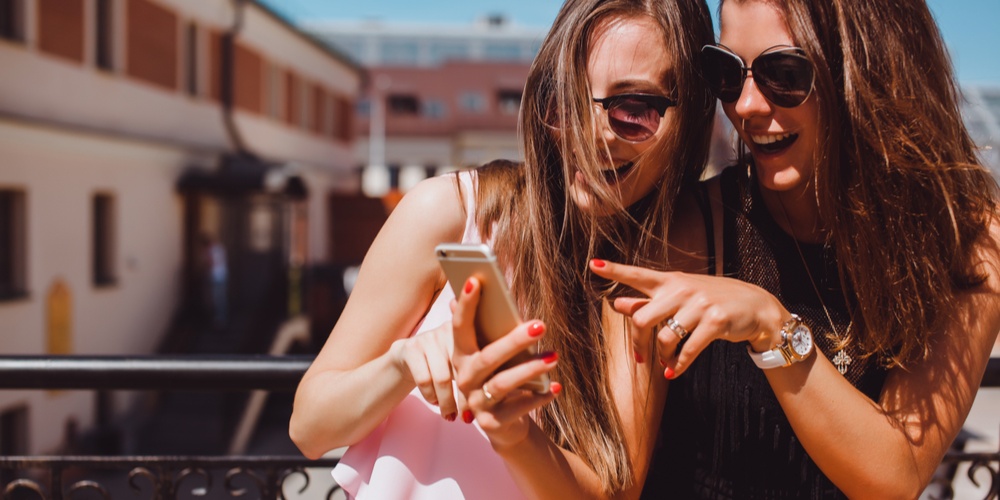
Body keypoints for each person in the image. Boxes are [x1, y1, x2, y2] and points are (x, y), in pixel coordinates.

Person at [288, 0, 715, 498]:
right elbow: (310, 428)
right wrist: (403, 364)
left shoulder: (659, 264)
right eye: (566, 97)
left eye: (633, 109)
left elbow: (613, 491)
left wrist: (515, 433)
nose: (589, 131)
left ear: (690, 118)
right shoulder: (449, 213)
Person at [591, 0, 1000, 497]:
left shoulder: (968, 241)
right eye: (726, 73)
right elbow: (613, 481)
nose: (745, 105)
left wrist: (773, 327)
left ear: (871, 71)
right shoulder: (688, 225)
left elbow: (897, 475)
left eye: (783, 73)